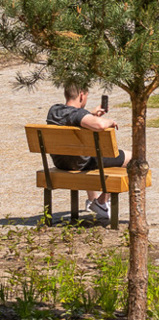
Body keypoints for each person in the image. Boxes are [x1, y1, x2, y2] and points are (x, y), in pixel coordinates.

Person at [46, 82, 125, 222]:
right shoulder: (79, 114)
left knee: (88, 154)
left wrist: (90, 114)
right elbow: (99, 125)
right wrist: (109, 121)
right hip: (80, 164)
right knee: (131, 158)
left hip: (61, 163)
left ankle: (92, 200)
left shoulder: (54, 110)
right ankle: (101, 201)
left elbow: (72, 116)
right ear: (81, 95)